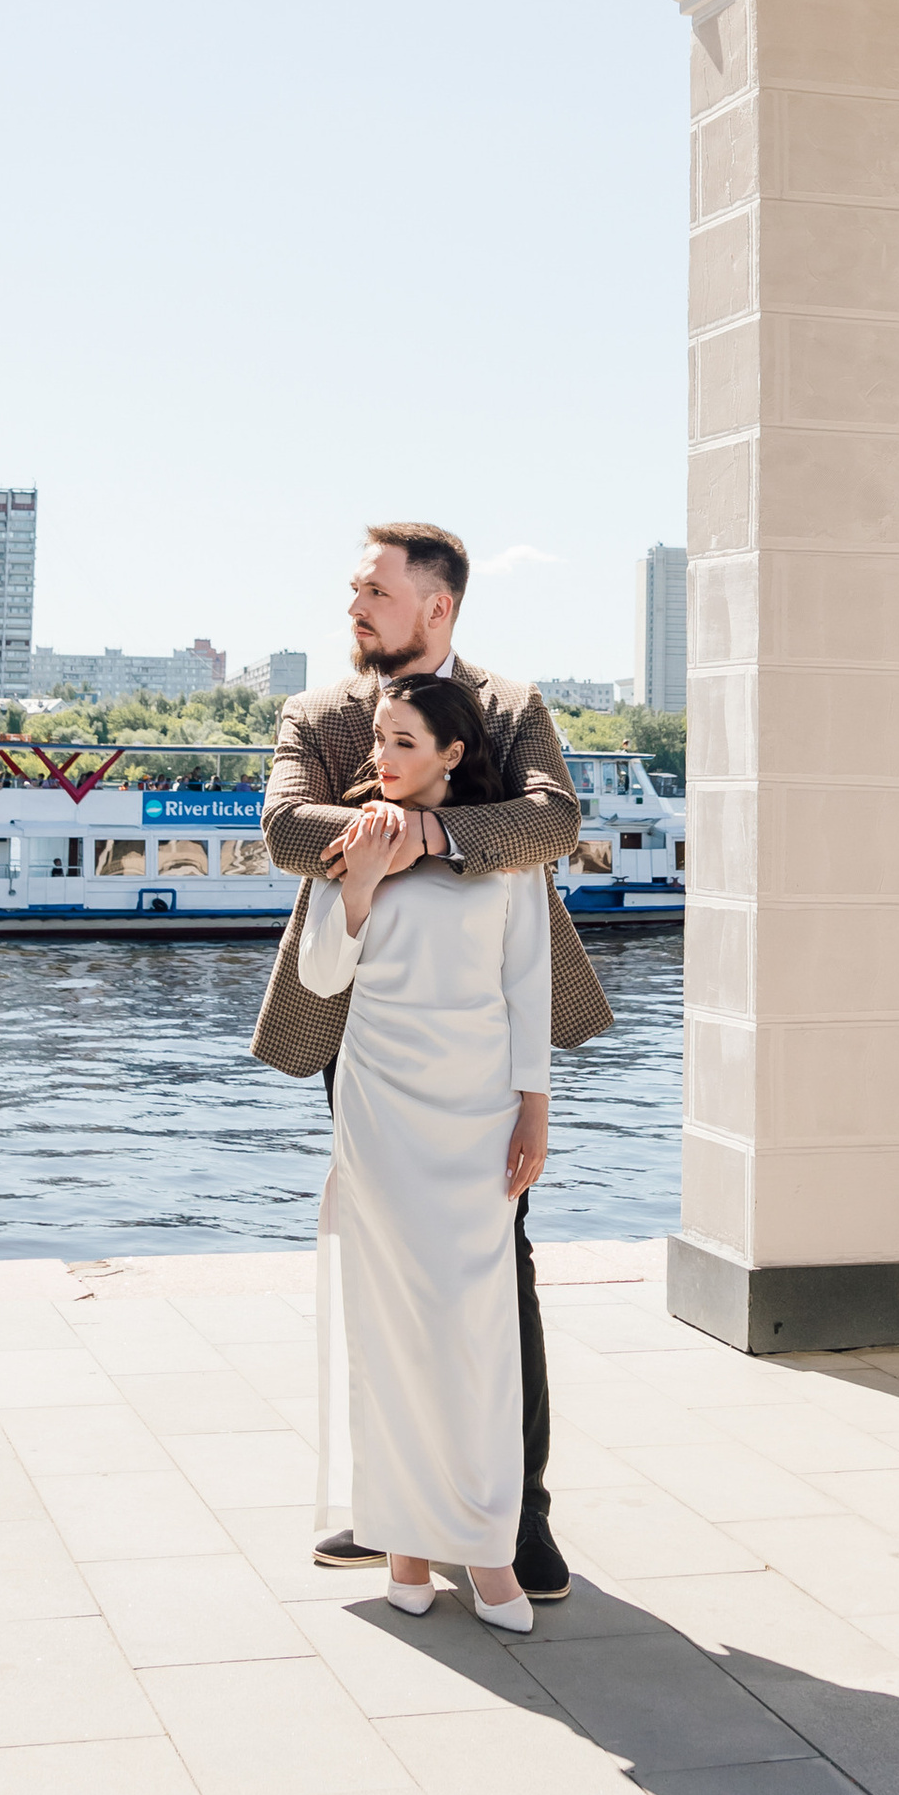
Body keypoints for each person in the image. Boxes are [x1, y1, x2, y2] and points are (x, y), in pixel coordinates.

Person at [256, 519, 611, 1605]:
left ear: (436, 607)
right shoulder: (317, 714)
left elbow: (552, 822)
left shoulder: (509, 709)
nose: (353, 608)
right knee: (381, 1269)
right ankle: (395, 1508)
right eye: (354, 592)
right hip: (361, 1032)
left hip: (482, 1040)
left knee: (496, 1270)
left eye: (372, 592)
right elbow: (281, 831)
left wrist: (431, 839)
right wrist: (390, 824)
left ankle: (518, 1516)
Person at [295, 676, 547, 1626]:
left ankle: (489, 1550)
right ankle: (402, 1544)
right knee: (392, 1321)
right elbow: (323, 976)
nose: (382, 759)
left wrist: (535, 1110)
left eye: (403, 742)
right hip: (381, 1107)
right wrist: (356, 885)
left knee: (477, 1331)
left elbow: (527, 988)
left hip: (480, 1109)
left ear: (451, 752)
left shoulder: (504, 851)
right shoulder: (357, 838)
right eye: (376, 741)